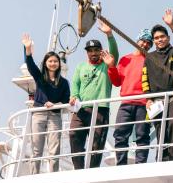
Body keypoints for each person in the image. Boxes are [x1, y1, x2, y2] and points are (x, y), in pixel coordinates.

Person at [21, 33, 70, 174]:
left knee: (54, 149)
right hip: (39, 114)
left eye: (55, 61)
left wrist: (57, 104)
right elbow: (30, 65)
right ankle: (34, 176)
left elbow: (66, 99)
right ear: (45, 63)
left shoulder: (64, 83)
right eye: (50, 61)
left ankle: (52, 175)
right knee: (36, 148)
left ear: (59, 64)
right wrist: (28, 48)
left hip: (55, 115)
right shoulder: (40, 77)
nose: (53, 63)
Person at [104, 24, 153, 165]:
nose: (145, 44)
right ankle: (121, 165)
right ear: (137, 40)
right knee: (120, 134)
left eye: (149, 43)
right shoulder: (125, 59)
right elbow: (117, 82)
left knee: (142, 135)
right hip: (126, 103)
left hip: (144, 104)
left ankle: (140, 165)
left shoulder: (151, 60)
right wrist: (111, 66)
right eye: (143, 41)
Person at [143, 9, 173, 161]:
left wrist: (172, 25)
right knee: (160, 129)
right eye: (156, 38)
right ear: (153, 41)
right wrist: (148, 98)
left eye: (162, 36)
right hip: (156, 101)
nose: (160, 39)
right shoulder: (149, 57)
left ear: (168, 38)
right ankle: (161, 158)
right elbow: (145, 78)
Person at [69, 37, 114, 169]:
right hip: (81, 109)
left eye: (96, 50)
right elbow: (75, 84)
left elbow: (114, 53)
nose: (93, 53)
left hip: (101, 109)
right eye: (90, 50)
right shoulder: (80, 67)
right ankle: (79, 169)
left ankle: (92, 170)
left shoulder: (106, 65)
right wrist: (74, 96)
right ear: (87, 53)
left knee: (96, 143)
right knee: (73, 134)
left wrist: (109, 35)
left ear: (101, 51)